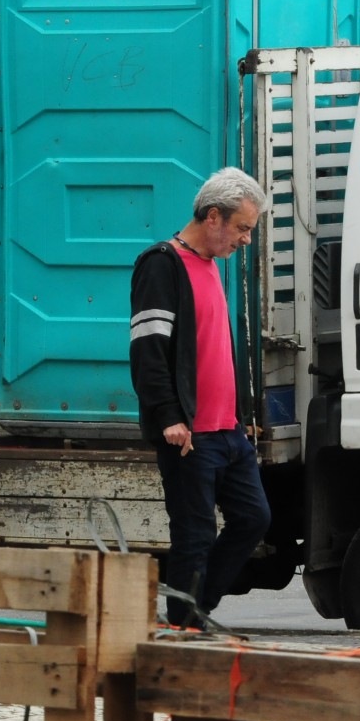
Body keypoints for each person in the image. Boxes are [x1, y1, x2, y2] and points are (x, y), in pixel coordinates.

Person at [129, 167, 272, 626]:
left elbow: (214, 348)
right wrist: (169, 415)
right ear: (214, 217)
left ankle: (194, 613)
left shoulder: (209, 266)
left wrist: (239, 414)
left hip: (226, 431)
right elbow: (147, 349)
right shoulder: (162, 264)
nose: (246, 239)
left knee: (254, 519)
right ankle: (184, 626)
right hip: (188, 433)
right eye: (243, 228)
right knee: (194, 536)